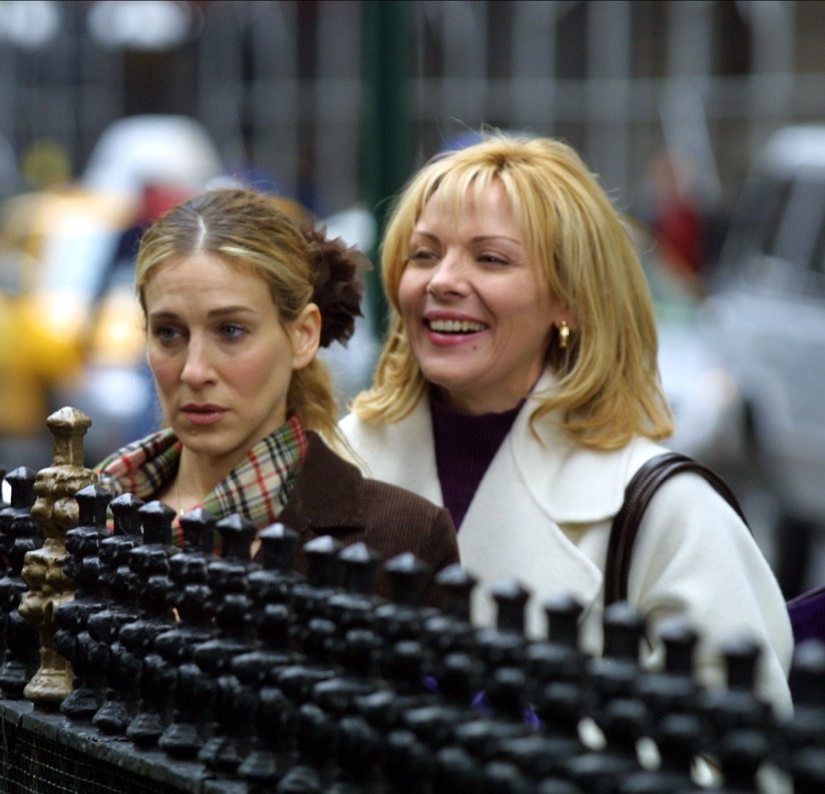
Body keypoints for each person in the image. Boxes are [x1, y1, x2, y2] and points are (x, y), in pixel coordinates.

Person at [339, 133, 794, 714]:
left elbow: (738, 752)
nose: (442, 281)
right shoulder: (339, 462)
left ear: (569, 301)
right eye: (424, 254)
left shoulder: (668, 510)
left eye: (490, 258)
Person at [0, 187, 459, 613]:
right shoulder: (69, 514)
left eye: (231, 331)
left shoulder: (399, 537)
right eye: (169, 333)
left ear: (303, 335)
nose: (195, 370)